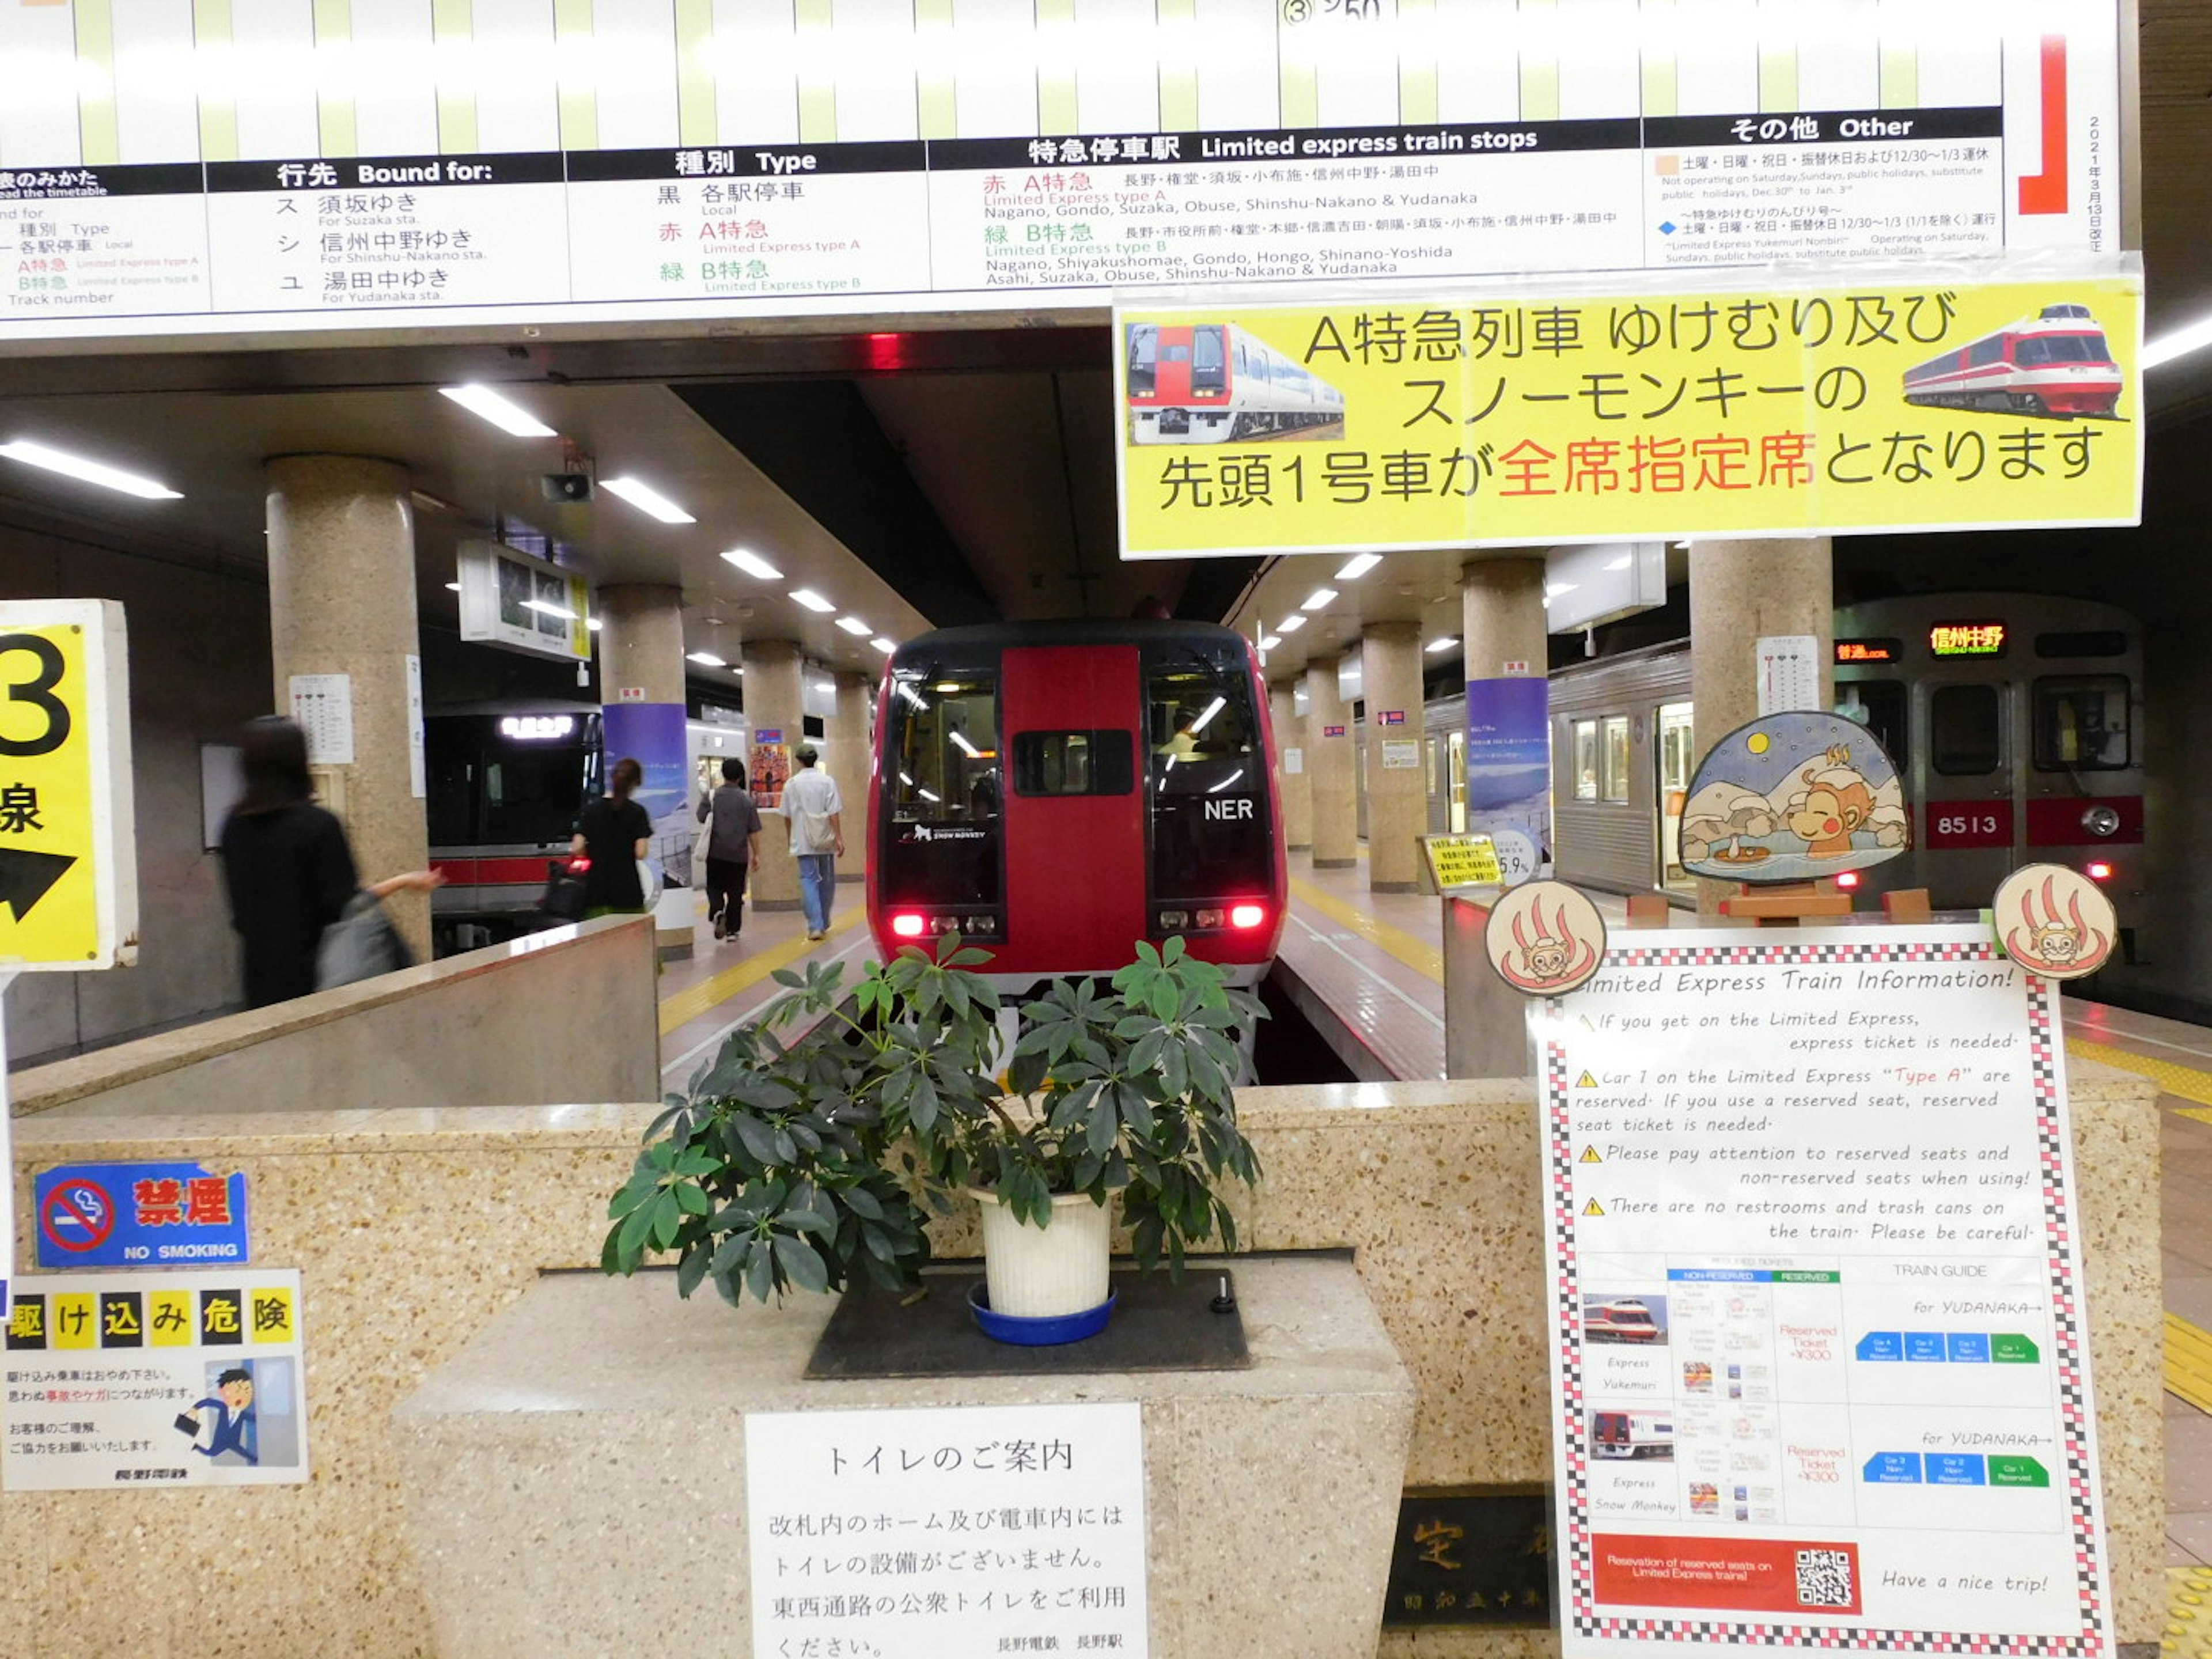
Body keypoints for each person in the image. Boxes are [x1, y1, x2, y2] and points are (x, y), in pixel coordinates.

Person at [218, 717, 440, 1009]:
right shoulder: (317, 825)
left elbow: (242, 917)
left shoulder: (233, 828)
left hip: (261, 982)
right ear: (299, 762)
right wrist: (403, 881)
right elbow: (346, 907)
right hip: (323, 980)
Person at [573, 756, 652, 915]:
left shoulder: (590, 811)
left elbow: (578, 848)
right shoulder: (637, 812)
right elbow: (641, 853)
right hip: (628, 892)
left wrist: (596, 850)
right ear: (636, 783)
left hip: (596, 892)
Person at [780, 744, 844, 941]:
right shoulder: (827, 781)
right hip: (824, 837)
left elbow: (787, 815)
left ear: (798, 761)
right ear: (815, 759)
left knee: (808, 879)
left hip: (802, 838)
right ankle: (824, 920)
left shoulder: (791, 784)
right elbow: (833, 812)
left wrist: (790, 835)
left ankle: (814, 926)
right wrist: (839, 837)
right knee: (827, 878)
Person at [694, 756, 763, 940]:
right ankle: (733, 931)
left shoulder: (711, 796)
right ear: (740, 777)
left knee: (714, 887)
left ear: (723, 775)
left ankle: (717, 911)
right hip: (738, 855)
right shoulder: (747, 800)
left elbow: (701, 818)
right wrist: (756, 855)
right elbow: (753, 831)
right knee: (735, 892)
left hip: (715, 853)